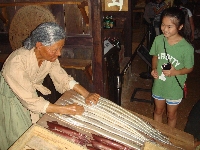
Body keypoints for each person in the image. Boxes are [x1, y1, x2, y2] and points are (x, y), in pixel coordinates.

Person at [0, 22, 100, 150]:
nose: (59, 53)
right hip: (11, 99)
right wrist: (66, 109)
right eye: (55, 50)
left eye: (60, 48)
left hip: (28, 95)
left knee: (35, 130)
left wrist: (87, 94)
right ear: (39, 45)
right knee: (19, 137)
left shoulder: (49, 57)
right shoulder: (16, 63)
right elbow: (31, 101)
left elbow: (62, 78)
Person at [149, 7, 194, 128]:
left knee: (171, 115)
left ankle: (168, 139)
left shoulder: (186, 48)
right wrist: (153, 69)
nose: (164, 29)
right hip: (159, 84)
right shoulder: (158, 40)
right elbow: (155, 56)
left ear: (180, 27)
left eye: (170, 26)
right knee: (158, 111)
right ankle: (158, 135)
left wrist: (175, 72)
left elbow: (189, 68)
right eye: (163, 25)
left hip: (174, 88)